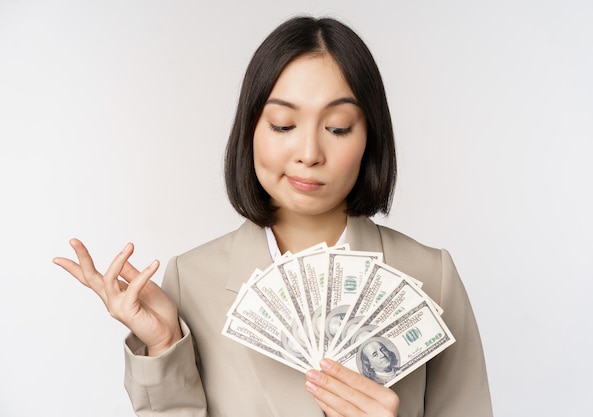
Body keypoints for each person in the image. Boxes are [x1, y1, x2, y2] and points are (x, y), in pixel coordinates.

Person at [53, 16, 492, 417]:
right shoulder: (191, 280)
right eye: (283, 125)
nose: (309, 154)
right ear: (251, 129)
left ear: (370, 137)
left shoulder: (430, 277)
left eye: (338, 127)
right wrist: (165, 345)